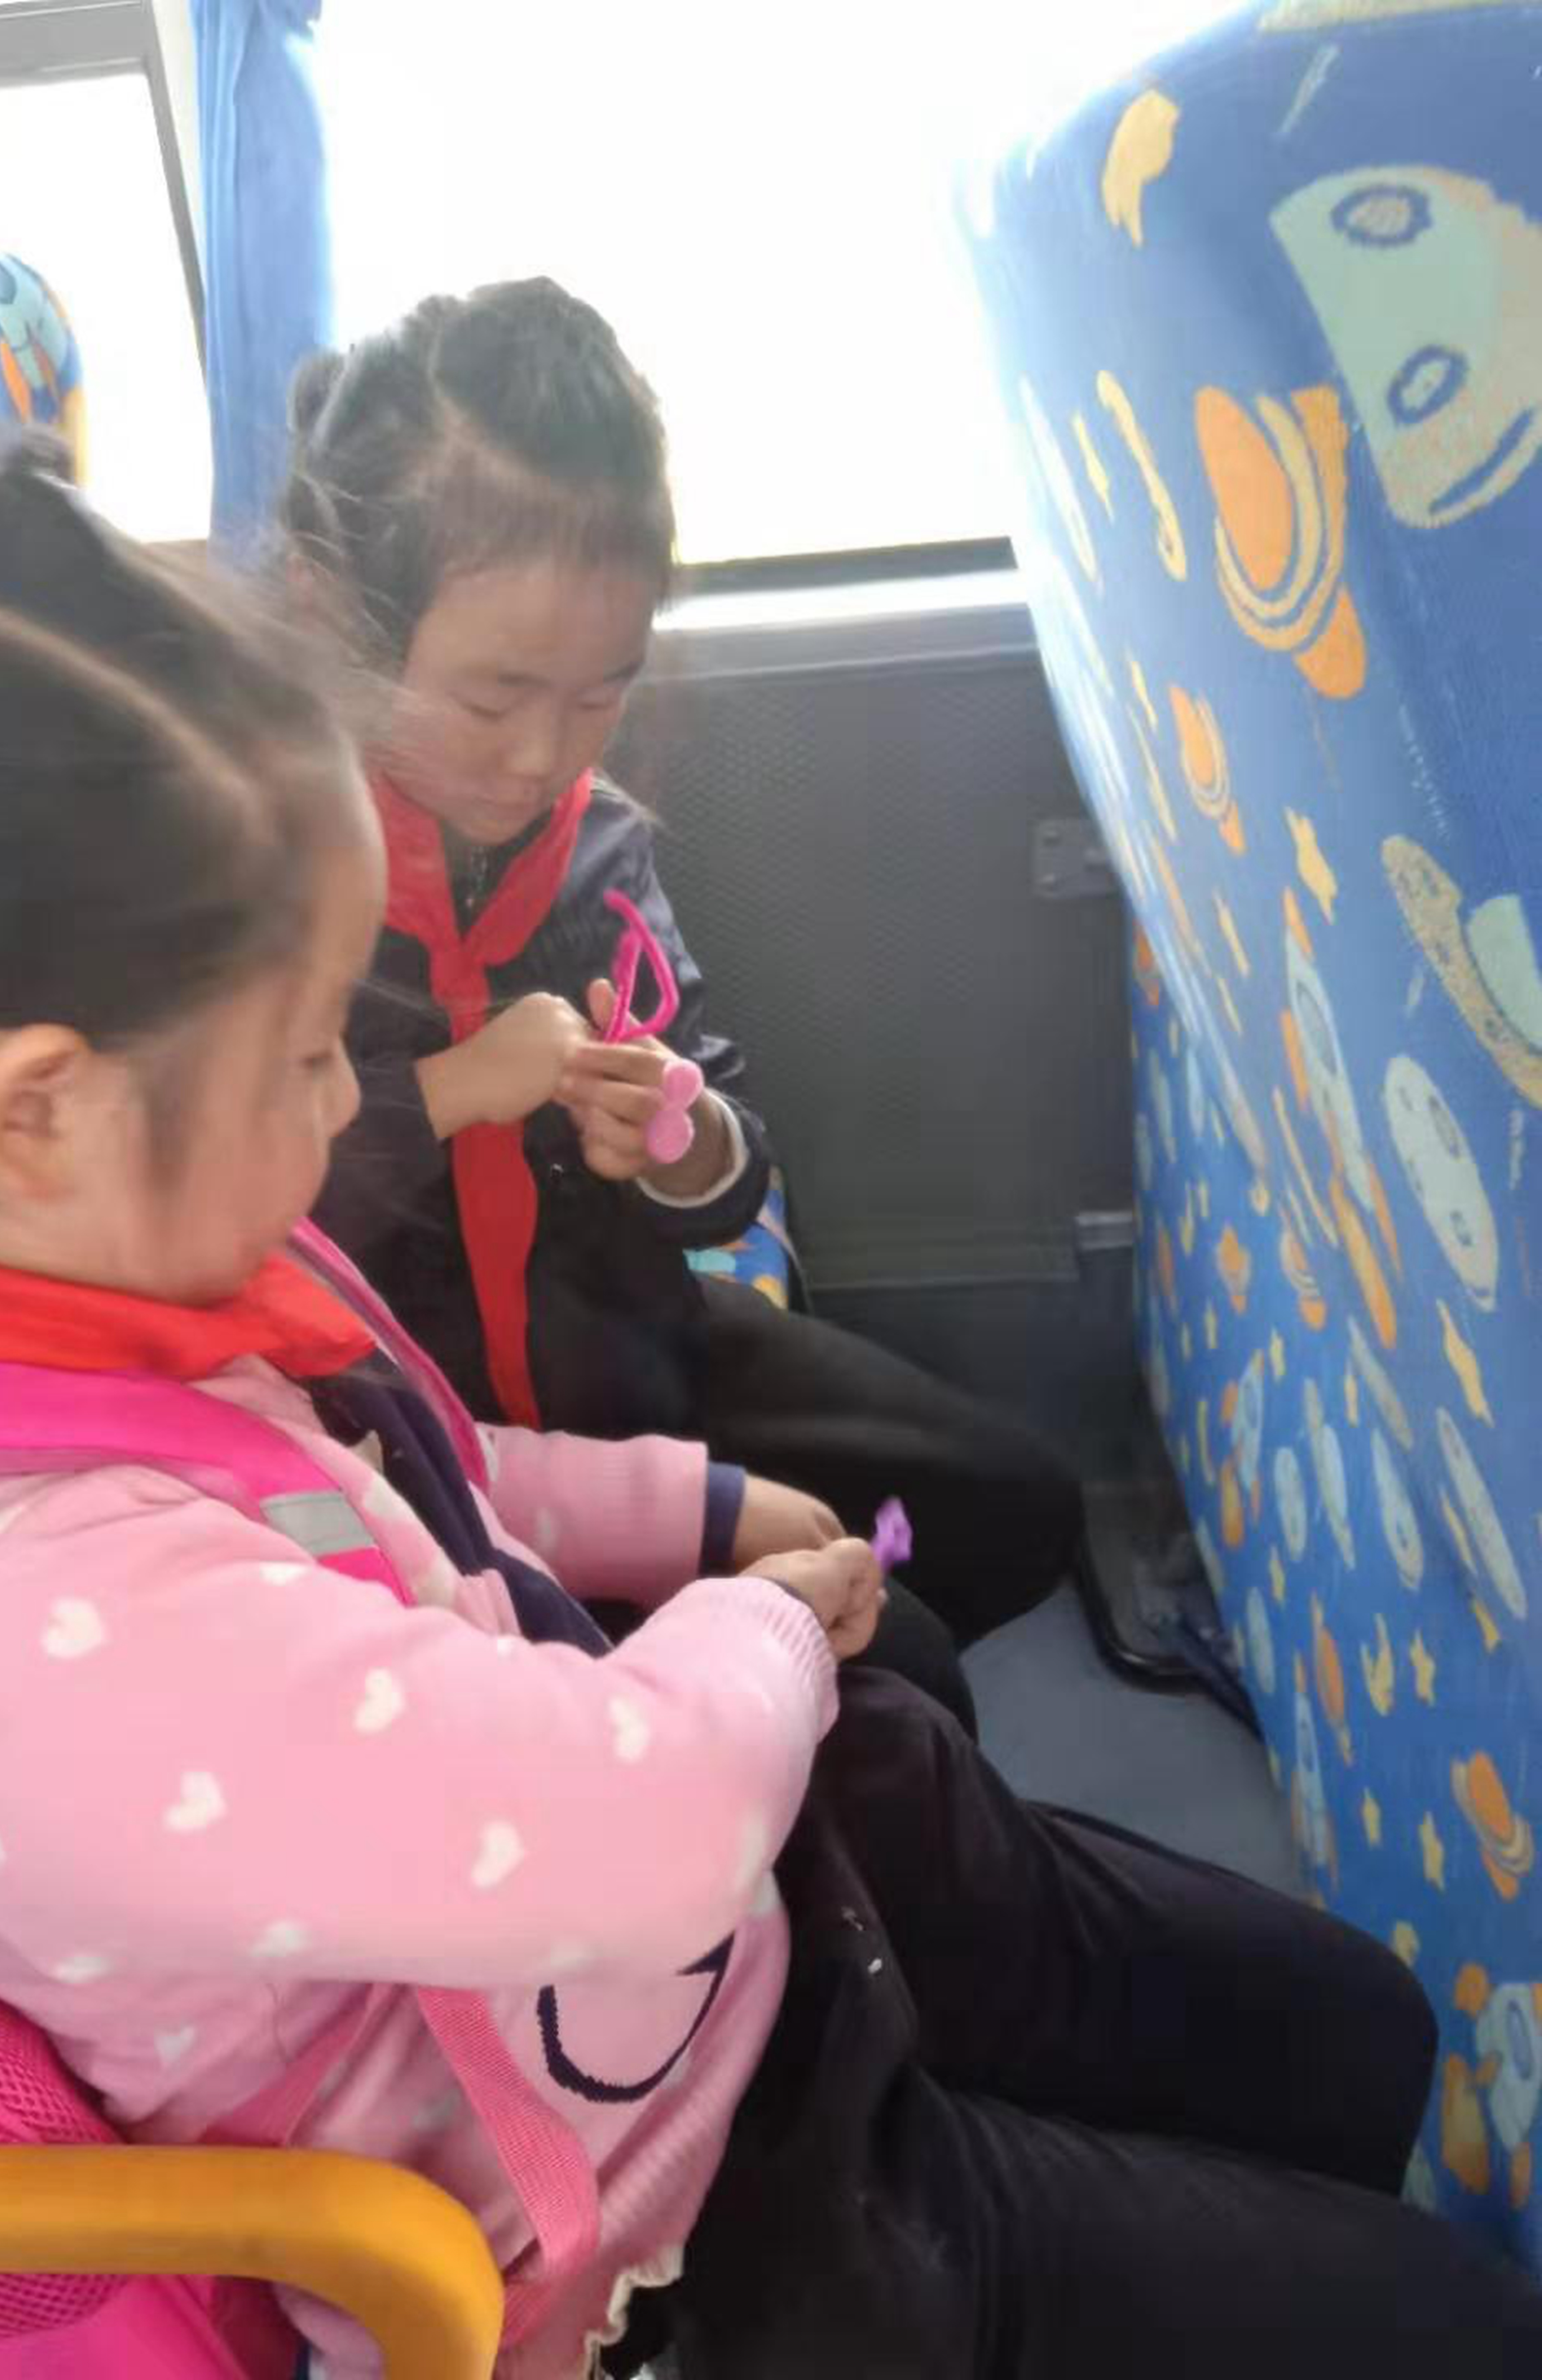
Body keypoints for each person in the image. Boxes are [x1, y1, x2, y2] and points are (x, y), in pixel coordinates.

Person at [0, 457, 1536, 2380]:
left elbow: (405, 1485)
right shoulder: (36, 1631)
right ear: (35, 1111)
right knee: (1450, 2325)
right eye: (303, 1054)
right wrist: (759, 1623)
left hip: (720, 1970)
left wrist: (696, 1512)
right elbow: (661, 1816)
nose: (342, 1108)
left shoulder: (96, 1291)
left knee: (1349, 2033)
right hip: (682, 2225)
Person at [280, 277, 1081, 1655]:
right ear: (335, 620)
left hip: (634, 1364)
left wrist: (681, 1136)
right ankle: (700, 1666)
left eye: (602, 693)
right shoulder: (268, 870)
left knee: (1016, 1510)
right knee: (901, 1665)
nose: (544, 755)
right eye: (493, 696)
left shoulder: (595, 848)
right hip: (408, 1441)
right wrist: (453, 1092)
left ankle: (751, 1639)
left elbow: (724, 1148)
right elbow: (216, 1212)